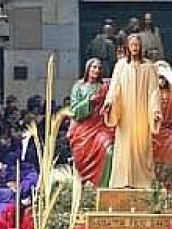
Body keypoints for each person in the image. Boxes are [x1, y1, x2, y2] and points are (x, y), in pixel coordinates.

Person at [102, 33, 162, 189]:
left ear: (141, 47)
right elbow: (114, 88)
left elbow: (154, 92)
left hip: (142, 115)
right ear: (128, 47)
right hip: (125, 116)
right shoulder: (121, 66)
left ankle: (143, 182)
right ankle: (122, 181)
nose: (135, 48)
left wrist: (155, 111)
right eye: (132, 45)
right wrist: (109, 103)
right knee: (124, 149)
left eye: (137, 45)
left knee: (142, 148)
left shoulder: (149, 67)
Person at [68, 58, 116, 187]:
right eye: (94, 67)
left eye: (99, 68)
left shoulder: (104, 87)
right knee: (80, 160)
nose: (96, 70)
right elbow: (74, 111)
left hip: (100, 128)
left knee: (109, 151)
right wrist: (89, 101)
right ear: (88, 69)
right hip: (83, 131)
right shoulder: (78, 87)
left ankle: (104, 188)